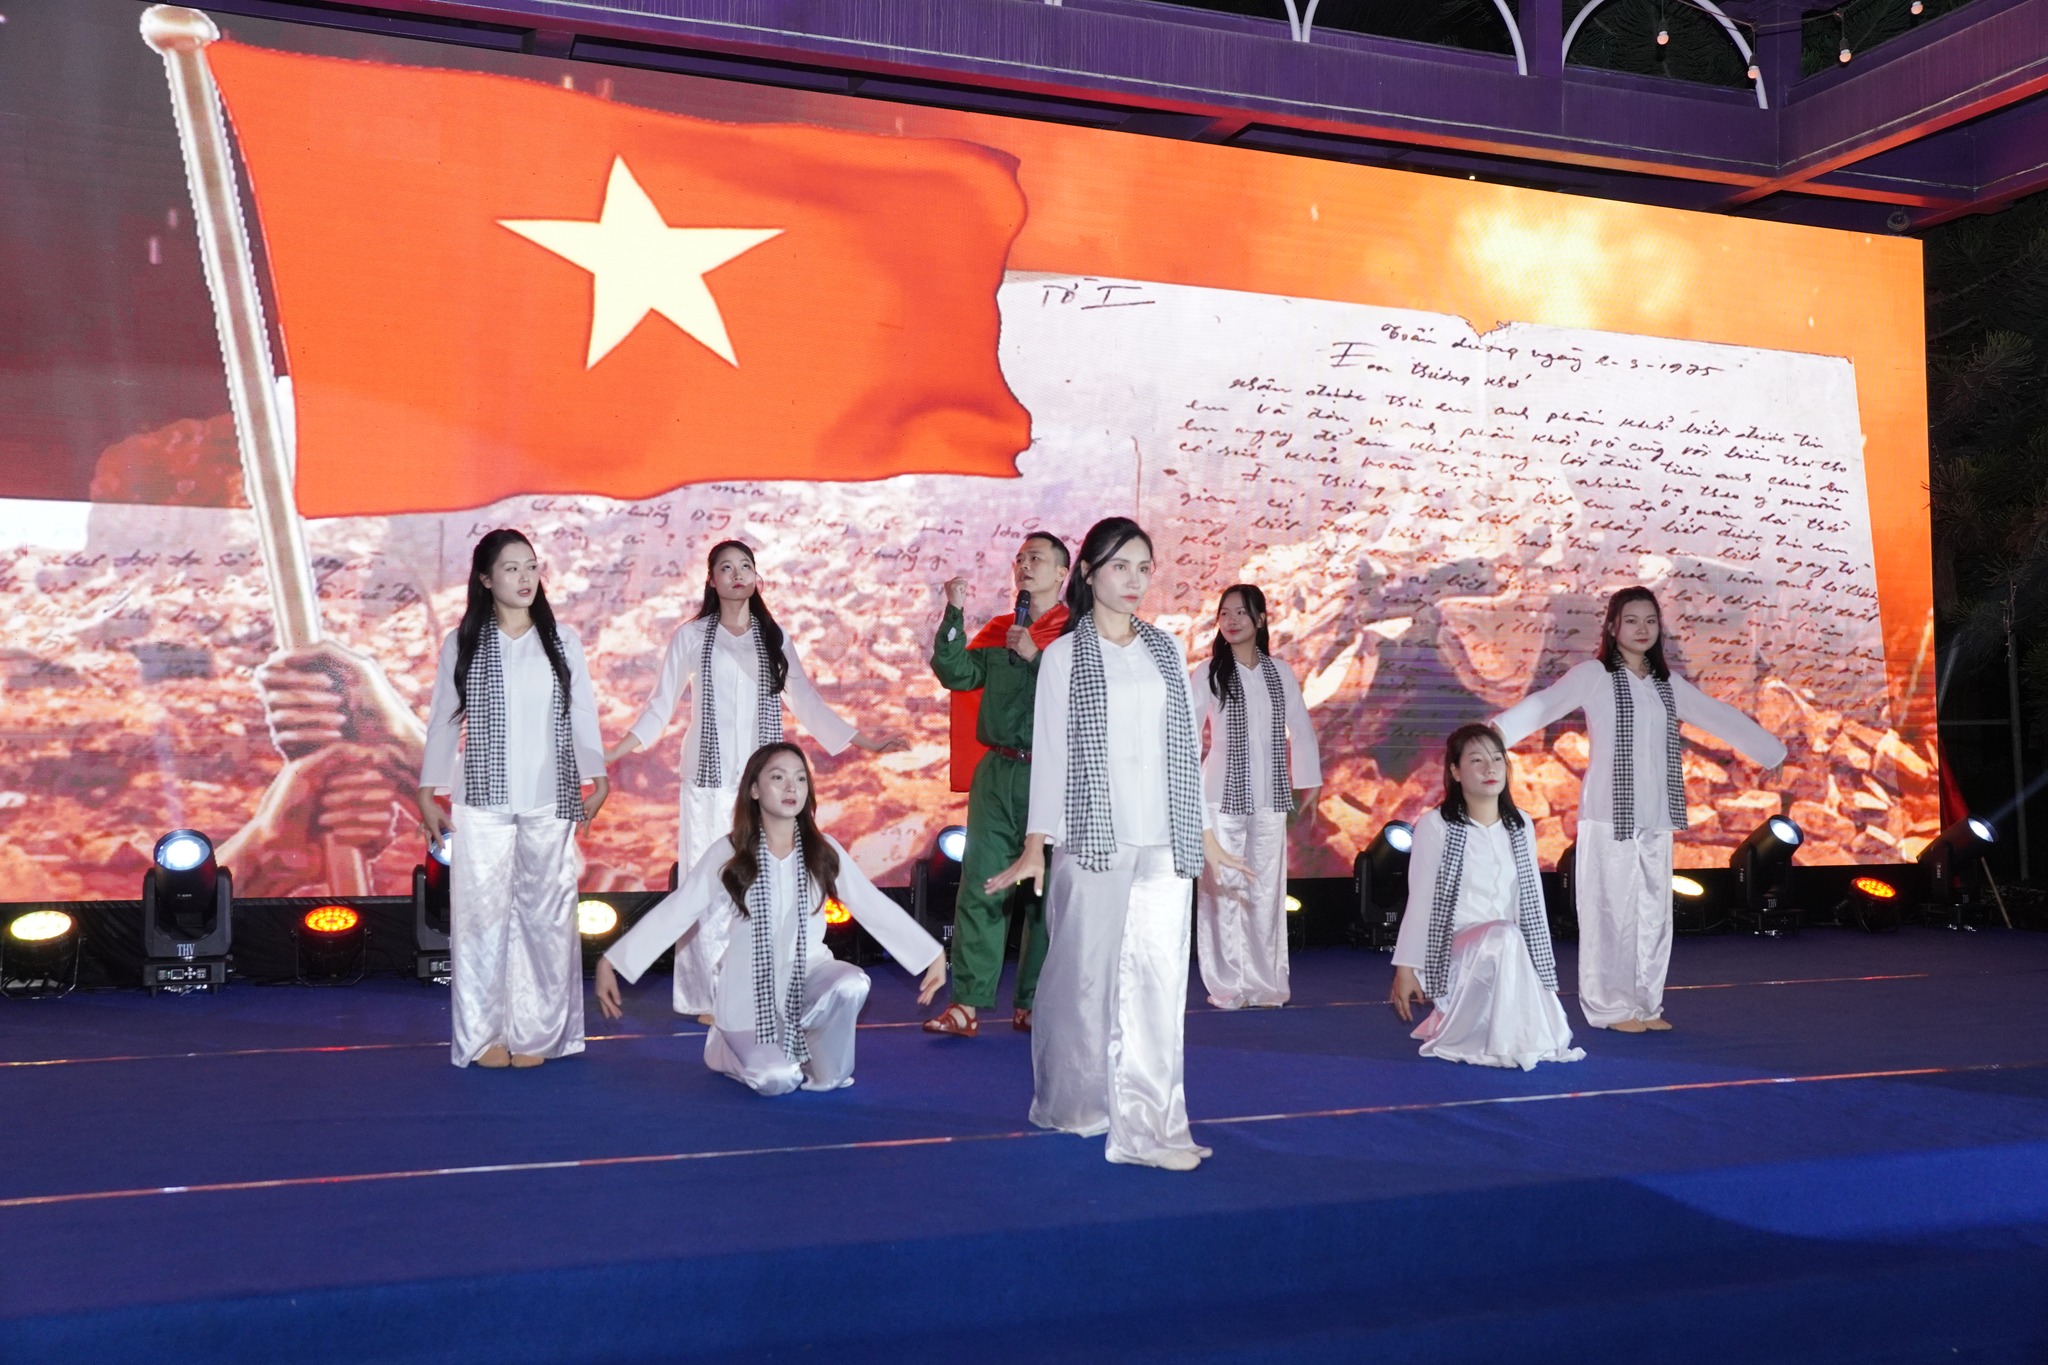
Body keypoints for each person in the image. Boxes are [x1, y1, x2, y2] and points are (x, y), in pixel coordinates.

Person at [987, 517, 1247, 1171]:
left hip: (1164, 842)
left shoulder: (1165, 650)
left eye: (1143, 568)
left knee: (1158, 982)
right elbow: (1052, 755)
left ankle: (1151, 1123)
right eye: (1120, 566)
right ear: (1089, 572)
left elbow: (1184, 749)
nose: (1134, 580)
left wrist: (1205, 834)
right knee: (1083, 982)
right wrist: (1035, 844)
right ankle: (1078, 1105)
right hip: (1092, 841)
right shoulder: (1063, 656)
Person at [606, 540, 902, 1023]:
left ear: (756, 576)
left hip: (765, 790)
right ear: (711, 580)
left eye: (745, 566)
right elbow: (659, 706)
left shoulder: (773, 637)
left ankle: (755, 987)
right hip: (708, 783)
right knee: (708, 888)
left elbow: (806, 701)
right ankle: (709, 996)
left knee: (761, 888)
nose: (737, 574)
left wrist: (867, 742)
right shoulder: (690, 637)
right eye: (726, 568)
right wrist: (614, 751)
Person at [1491, 587, 1786, 1033]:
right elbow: (1543, 706)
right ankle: (1610, 1008)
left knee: (1653, 915)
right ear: (1613, 627)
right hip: (1608, 815)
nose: (1642, 629)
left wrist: (1770, 751)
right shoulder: (1593, 675)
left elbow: (1716, 715)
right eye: (1631, 620)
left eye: (1650, 621)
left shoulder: (1666, 683)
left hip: (1657, 814)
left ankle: (1645, 1005)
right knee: (1610, 914)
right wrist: (1489, 738)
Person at [594, 743, 946, 1096]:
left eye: (800, 779)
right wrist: (614, 961)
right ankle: (725, 1050)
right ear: (754, 789)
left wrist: (930, 954)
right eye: (778, 778)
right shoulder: (730, 851)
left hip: (808, 974)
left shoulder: (823, 850)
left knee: (850, 986)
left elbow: (872, 905)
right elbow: (679, 909)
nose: (791, 787)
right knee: (777, 1080)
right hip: (747, 993)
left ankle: (810, 1051)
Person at [415, 529, 607, 1069]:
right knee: (481, 920)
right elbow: (444, 719)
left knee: (547, 916)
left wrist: (596, 774)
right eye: (511, 568)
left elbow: (582, 712)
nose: (525, 578)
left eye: (531, 566)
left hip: (550, 795)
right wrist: (429, 790)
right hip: (482, 799)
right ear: (484, 578)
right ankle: (483, 1037)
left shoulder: (562, 640)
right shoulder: (463, 641)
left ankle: (540, 1033)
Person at [922, 532, 1070, 1038]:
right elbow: (956, 673)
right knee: (982, 885)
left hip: (1054, 775)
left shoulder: (1078, 634)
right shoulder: (1004, 629)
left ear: (1062, 574)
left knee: (1046, 896)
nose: (1025, 565)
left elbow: (1087, 696)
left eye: (1037, 559)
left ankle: (1034, 1001)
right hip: (998, 774)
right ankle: (966, 1003)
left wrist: (1037, 656)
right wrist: (954, 613)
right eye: (1020, 558)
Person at [1388, 724, 1584, 1070]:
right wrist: (1406, 967)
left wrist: (1541, 968)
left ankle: (1504, 1030)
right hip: (1455, 949)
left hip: (1509, 947)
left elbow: (1531, 901)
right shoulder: (1437, 825)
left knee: (1507, 936)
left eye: (1496, 759)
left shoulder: (1521, 824)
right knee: (1502, 935)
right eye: (1476, 760)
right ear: (1455, 771)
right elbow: (1421, 900)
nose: (1490, 768)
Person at [1188, 584, 1321, 1010]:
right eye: (1224, 613)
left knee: (1265, 890)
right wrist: (1184, 793)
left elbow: (1300, 729)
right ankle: (1227, 985)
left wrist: (1310, 782)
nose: (1231, 621)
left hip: (1269, 797)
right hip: (1218, 797)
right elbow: (1186, 735)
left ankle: (1265, 984)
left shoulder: (1280, 671)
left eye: (1241, 613)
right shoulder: (1208, 672)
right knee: (1222, 890)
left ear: (1261, 619)